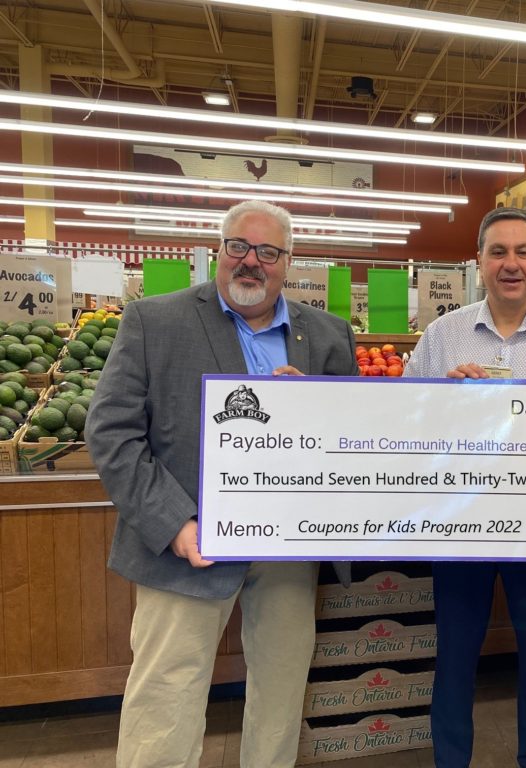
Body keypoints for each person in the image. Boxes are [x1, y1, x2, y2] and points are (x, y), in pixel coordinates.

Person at [86, 200, 359, 768]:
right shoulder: (154, 321)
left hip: (287, 549)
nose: (250, 261)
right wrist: (175, 525)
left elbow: (349, 438)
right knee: (166, 697)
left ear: (289, 260)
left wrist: (315, 410)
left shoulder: (329, 335)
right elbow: (111, 432)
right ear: (219, 250)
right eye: (238, 246)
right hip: (188, 545)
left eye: (268, 251)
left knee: (281, 692)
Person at [404, 207, 526, 768]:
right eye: (498, 252)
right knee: (457, 653)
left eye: (522, 252)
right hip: (460, 522)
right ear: (479, 263)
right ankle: (451, 760)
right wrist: (442, 394)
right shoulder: (443, 336)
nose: (510, 264)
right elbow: (398, 419)